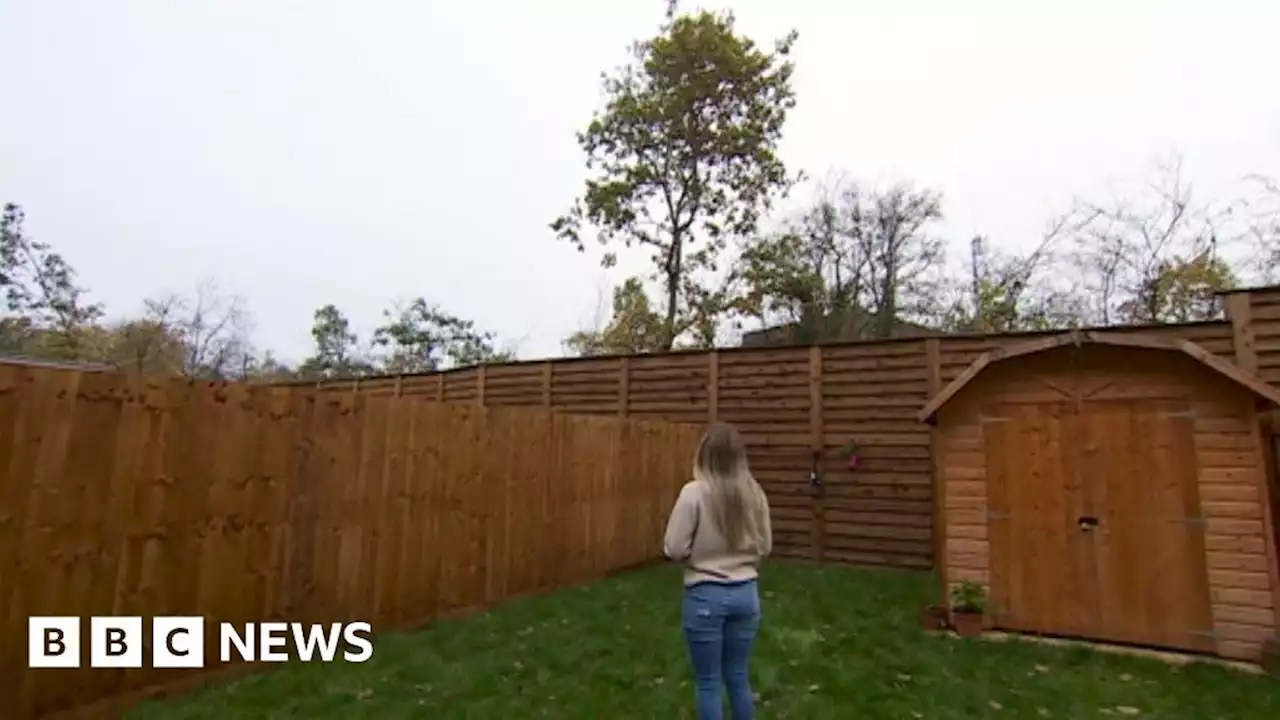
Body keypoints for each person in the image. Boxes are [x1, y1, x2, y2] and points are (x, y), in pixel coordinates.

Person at [662, 421, 773, 720]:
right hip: (746, 595)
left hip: (705, 596)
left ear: (703, 453)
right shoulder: (755, 494)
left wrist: (697, 556)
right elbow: (765, 546)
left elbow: (673, 548)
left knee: (709, 682)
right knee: (738, 676)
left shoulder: (693, 493)